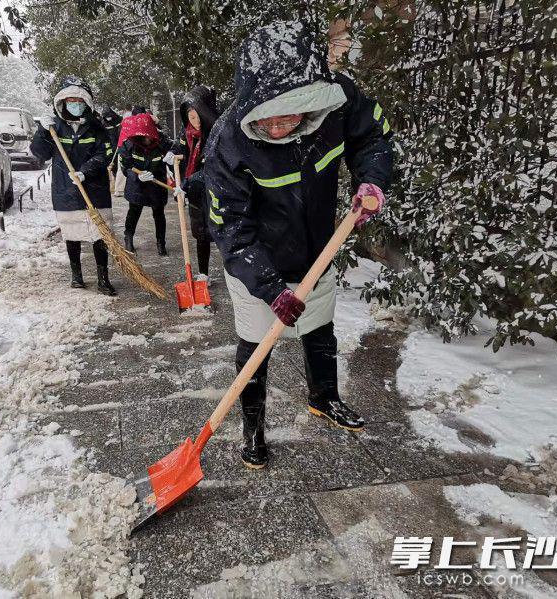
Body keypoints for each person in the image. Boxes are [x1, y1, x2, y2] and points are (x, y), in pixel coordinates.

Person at [205, 22, 393, 469]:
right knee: (257, 345)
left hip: (317, 251)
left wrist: (371, 180)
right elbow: (230, 227)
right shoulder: (230, 143)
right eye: (267, 114)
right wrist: (271, 288)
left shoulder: (338, 102)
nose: (277, 124)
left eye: (290, 112)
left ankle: (323, 397)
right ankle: (252, 430)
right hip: (257, 267)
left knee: (319, 327)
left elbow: (373, 137)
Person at [30, 76, 117, 296]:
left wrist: (86, 171)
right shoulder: (54, 128)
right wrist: (42, 131)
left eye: (79, 101)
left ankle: (103, 278)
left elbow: (105, 153)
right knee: (72, 233)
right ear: (62, 103)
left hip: (94, 189)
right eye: (70, 101)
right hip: (66, 189)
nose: (75, 105)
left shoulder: (97, 128)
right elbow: (40, 153)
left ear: (86, 103)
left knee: (100, 234)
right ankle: (76, 275)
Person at [170, 85, 220, 280]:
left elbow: (211, 169)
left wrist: (186, 183)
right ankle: (203, 274)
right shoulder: (187, 133)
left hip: (214, 190)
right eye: (192, 118)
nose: (196, 122)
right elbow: (178, 146)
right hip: (194, 192)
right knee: (200, 234)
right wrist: (171, 153)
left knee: (222, 232)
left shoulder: (216, 134)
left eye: (199, 117)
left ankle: (233, 271)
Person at [118, 112, 174, 256]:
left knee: (159, 213)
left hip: (157, 184)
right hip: (137, 185)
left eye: (149, 135)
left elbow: (176, 151)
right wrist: (137, 176)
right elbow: (125, 166)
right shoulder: (129, 144)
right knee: (134, 211)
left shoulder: (162, 142)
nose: (147, 139)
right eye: (144, 136)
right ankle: (128, 238)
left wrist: (173, 158)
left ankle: (161, 243)